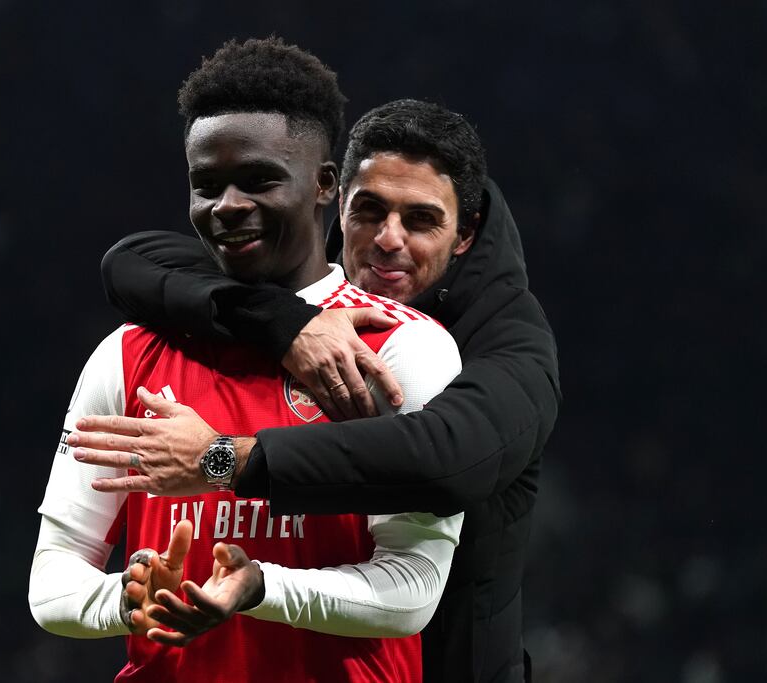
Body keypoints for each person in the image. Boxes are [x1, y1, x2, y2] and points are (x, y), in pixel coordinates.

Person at [74, 99, 561, 681]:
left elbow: (445, 462)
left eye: (422, 220)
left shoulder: (510, 338)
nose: (388, 240)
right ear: (334, 201)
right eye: (369, 211)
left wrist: (227, 458)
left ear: (466, 232)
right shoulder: (310, 299)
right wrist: (288, 323)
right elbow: (130, 264)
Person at [29, 37, 467, 683]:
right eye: (206, 185)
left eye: (259, 179)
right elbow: (53, 580)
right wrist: (126, 599)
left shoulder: (403, 346)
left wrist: (260, 586)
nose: (227, 205)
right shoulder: (127, 354)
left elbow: (410, 590)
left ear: (325, 186)